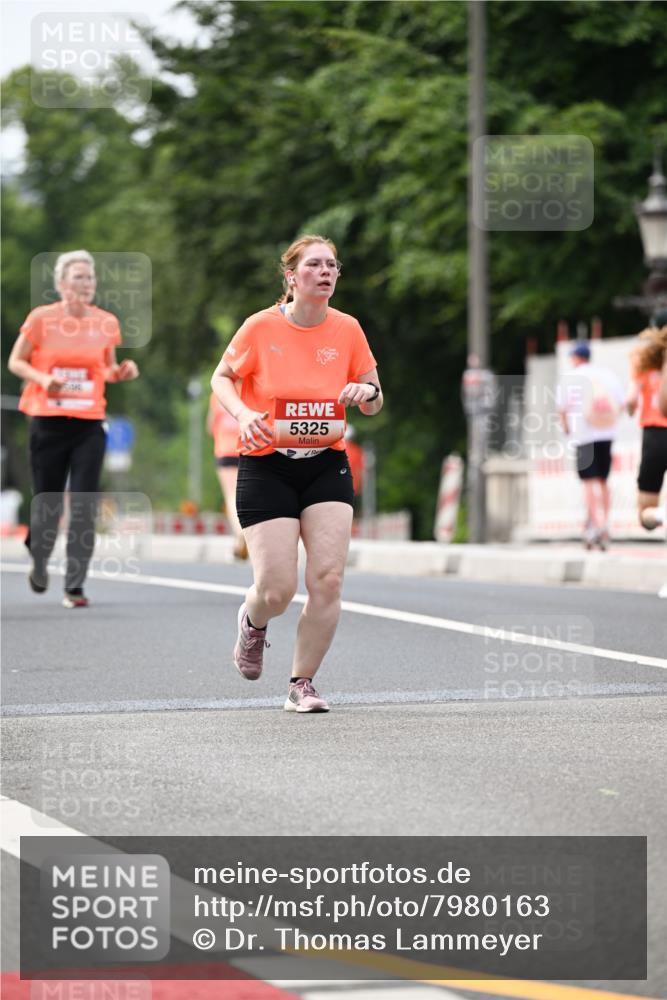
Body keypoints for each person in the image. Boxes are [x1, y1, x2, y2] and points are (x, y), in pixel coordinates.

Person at [210, 234, 382, 713]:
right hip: (267, 465)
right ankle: (253, 620)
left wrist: (364, 395)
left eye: (332, 265)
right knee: (278, 589)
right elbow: (220, 377)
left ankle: (301, 684)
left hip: (326, 462)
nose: (326, 272)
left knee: (327, 579)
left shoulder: (347, 329)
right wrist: (243, 415)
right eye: (314, 265)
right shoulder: (260, 328)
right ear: (291, 276)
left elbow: (374, 396)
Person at [7, 250, 139, 607]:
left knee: (83, 502)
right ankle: (38, 553)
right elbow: (16, 361)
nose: (85, 283)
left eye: (90, 278)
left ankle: (75, 585)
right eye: (78, 277)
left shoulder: (106, 322)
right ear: (62, 284)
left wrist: (121, 373)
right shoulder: (41, 320)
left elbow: (106, 369)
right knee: (47, 499)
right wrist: (42, 378)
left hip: (89, 423)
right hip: (47, 421)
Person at [557, 341, 624, 550]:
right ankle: (601, 522)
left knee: (588, 482)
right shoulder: (606, 375)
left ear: (576, 358)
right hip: (606, 433)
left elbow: (562, 409)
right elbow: (620, 403)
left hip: (583, 435)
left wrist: (567, 429)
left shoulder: (570, 378)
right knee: (603, 481)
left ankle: (598, 526)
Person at [626, 314, 667, 531]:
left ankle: (661, 515)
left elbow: (631, 399)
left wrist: (630, 410)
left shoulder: (643, 361)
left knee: (645, 515)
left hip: (655, 436)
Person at [207, 392, 248, 559]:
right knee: (246, 495)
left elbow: (210, 426)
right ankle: (248, 533)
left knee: (231, 496)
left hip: (224, 450)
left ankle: (240, 535)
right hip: (246, 447)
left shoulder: (218, 393)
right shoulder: (247, 390)